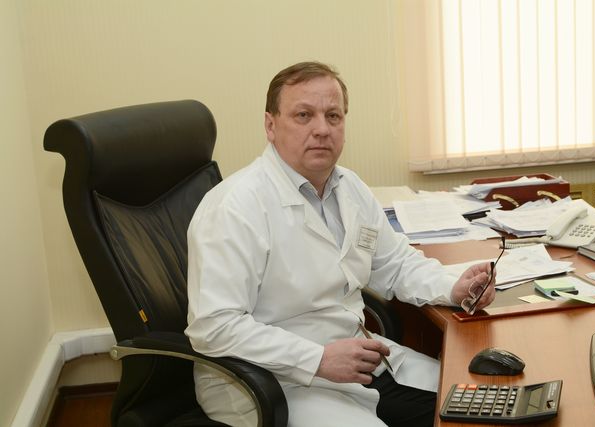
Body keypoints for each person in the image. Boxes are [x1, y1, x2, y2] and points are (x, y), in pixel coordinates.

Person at [185, 61, 496, 427]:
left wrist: (453, 286)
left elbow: (395, 263)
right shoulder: (234, 206)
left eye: (333, 116)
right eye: (303, 115)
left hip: (355, 358)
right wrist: (317, 359)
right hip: (268, 381)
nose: (321, 129)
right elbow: (214, 327)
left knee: (479, 402)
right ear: (271, 125)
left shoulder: (349, 187)